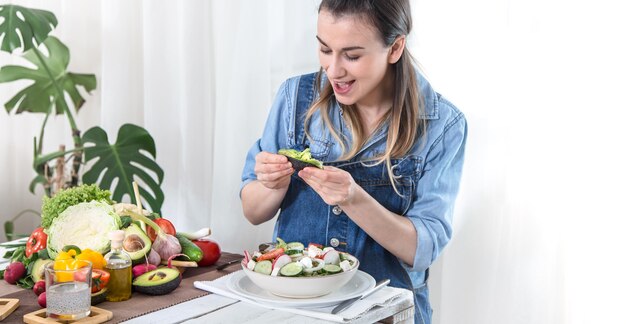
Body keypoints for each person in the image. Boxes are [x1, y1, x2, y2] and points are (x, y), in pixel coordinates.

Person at [240, 0, 467, 323]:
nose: (333, 70)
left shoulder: (441, 125)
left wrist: (353, 198)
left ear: (395, 47)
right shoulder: (294, 99)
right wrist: (271, 185)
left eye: (352, 55)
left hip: (385, 313)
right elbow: (252, 210)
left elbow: (422, 250)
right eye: (324, 49)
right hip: (296, 312)